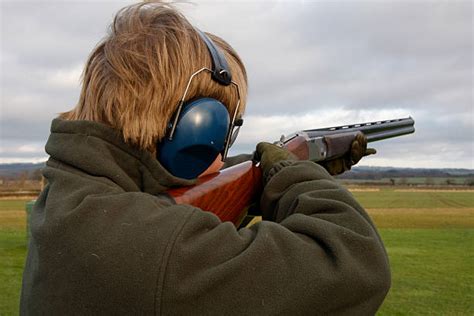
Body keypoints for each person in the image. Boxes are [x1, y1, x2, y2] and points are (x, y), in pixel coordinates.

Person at [20, 1, 390, 315]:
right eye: (215, 139)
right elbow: (357, 261)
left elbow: (191, 186)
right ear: (193, 130)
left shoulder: (71, 201)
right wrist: (293, 172)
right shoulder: (154, 253)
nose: (217, 160)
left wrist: (276, 173)